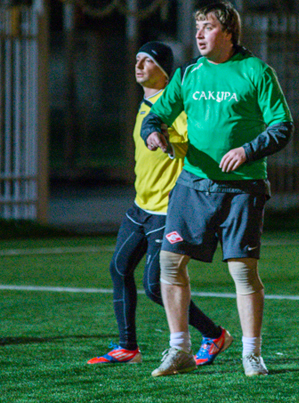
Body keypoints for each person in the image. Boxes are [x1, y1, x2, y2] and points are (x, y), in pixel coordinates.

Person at [141, 2, 294, 377]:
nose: (198, 34)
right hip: (193, 185)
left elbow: (282, 126)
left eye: (207, 27)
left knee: (243, 272)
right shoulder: (189, 74)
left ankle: (251, 354)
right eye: (197, 27)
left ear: (228, 32)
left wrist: (247, 150)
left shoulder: (256, 71)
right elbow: (157, 114)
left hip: (243, 189)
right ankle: (180, 350)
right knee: (169, 264)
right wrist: (153, 132)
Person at [87, 41, 232, 367]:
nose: (139, 65)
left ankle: (214, 335)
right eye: (137, 59)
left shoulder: (173, 106)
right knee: (119, 269)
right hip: (141, 207)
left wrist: (167, 141)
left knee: (154, 286)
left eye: (148, 60)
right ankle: (128, 347)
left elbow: (197, 142)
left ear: (165, 71)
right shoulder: (145, 105)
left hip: (169, 211)